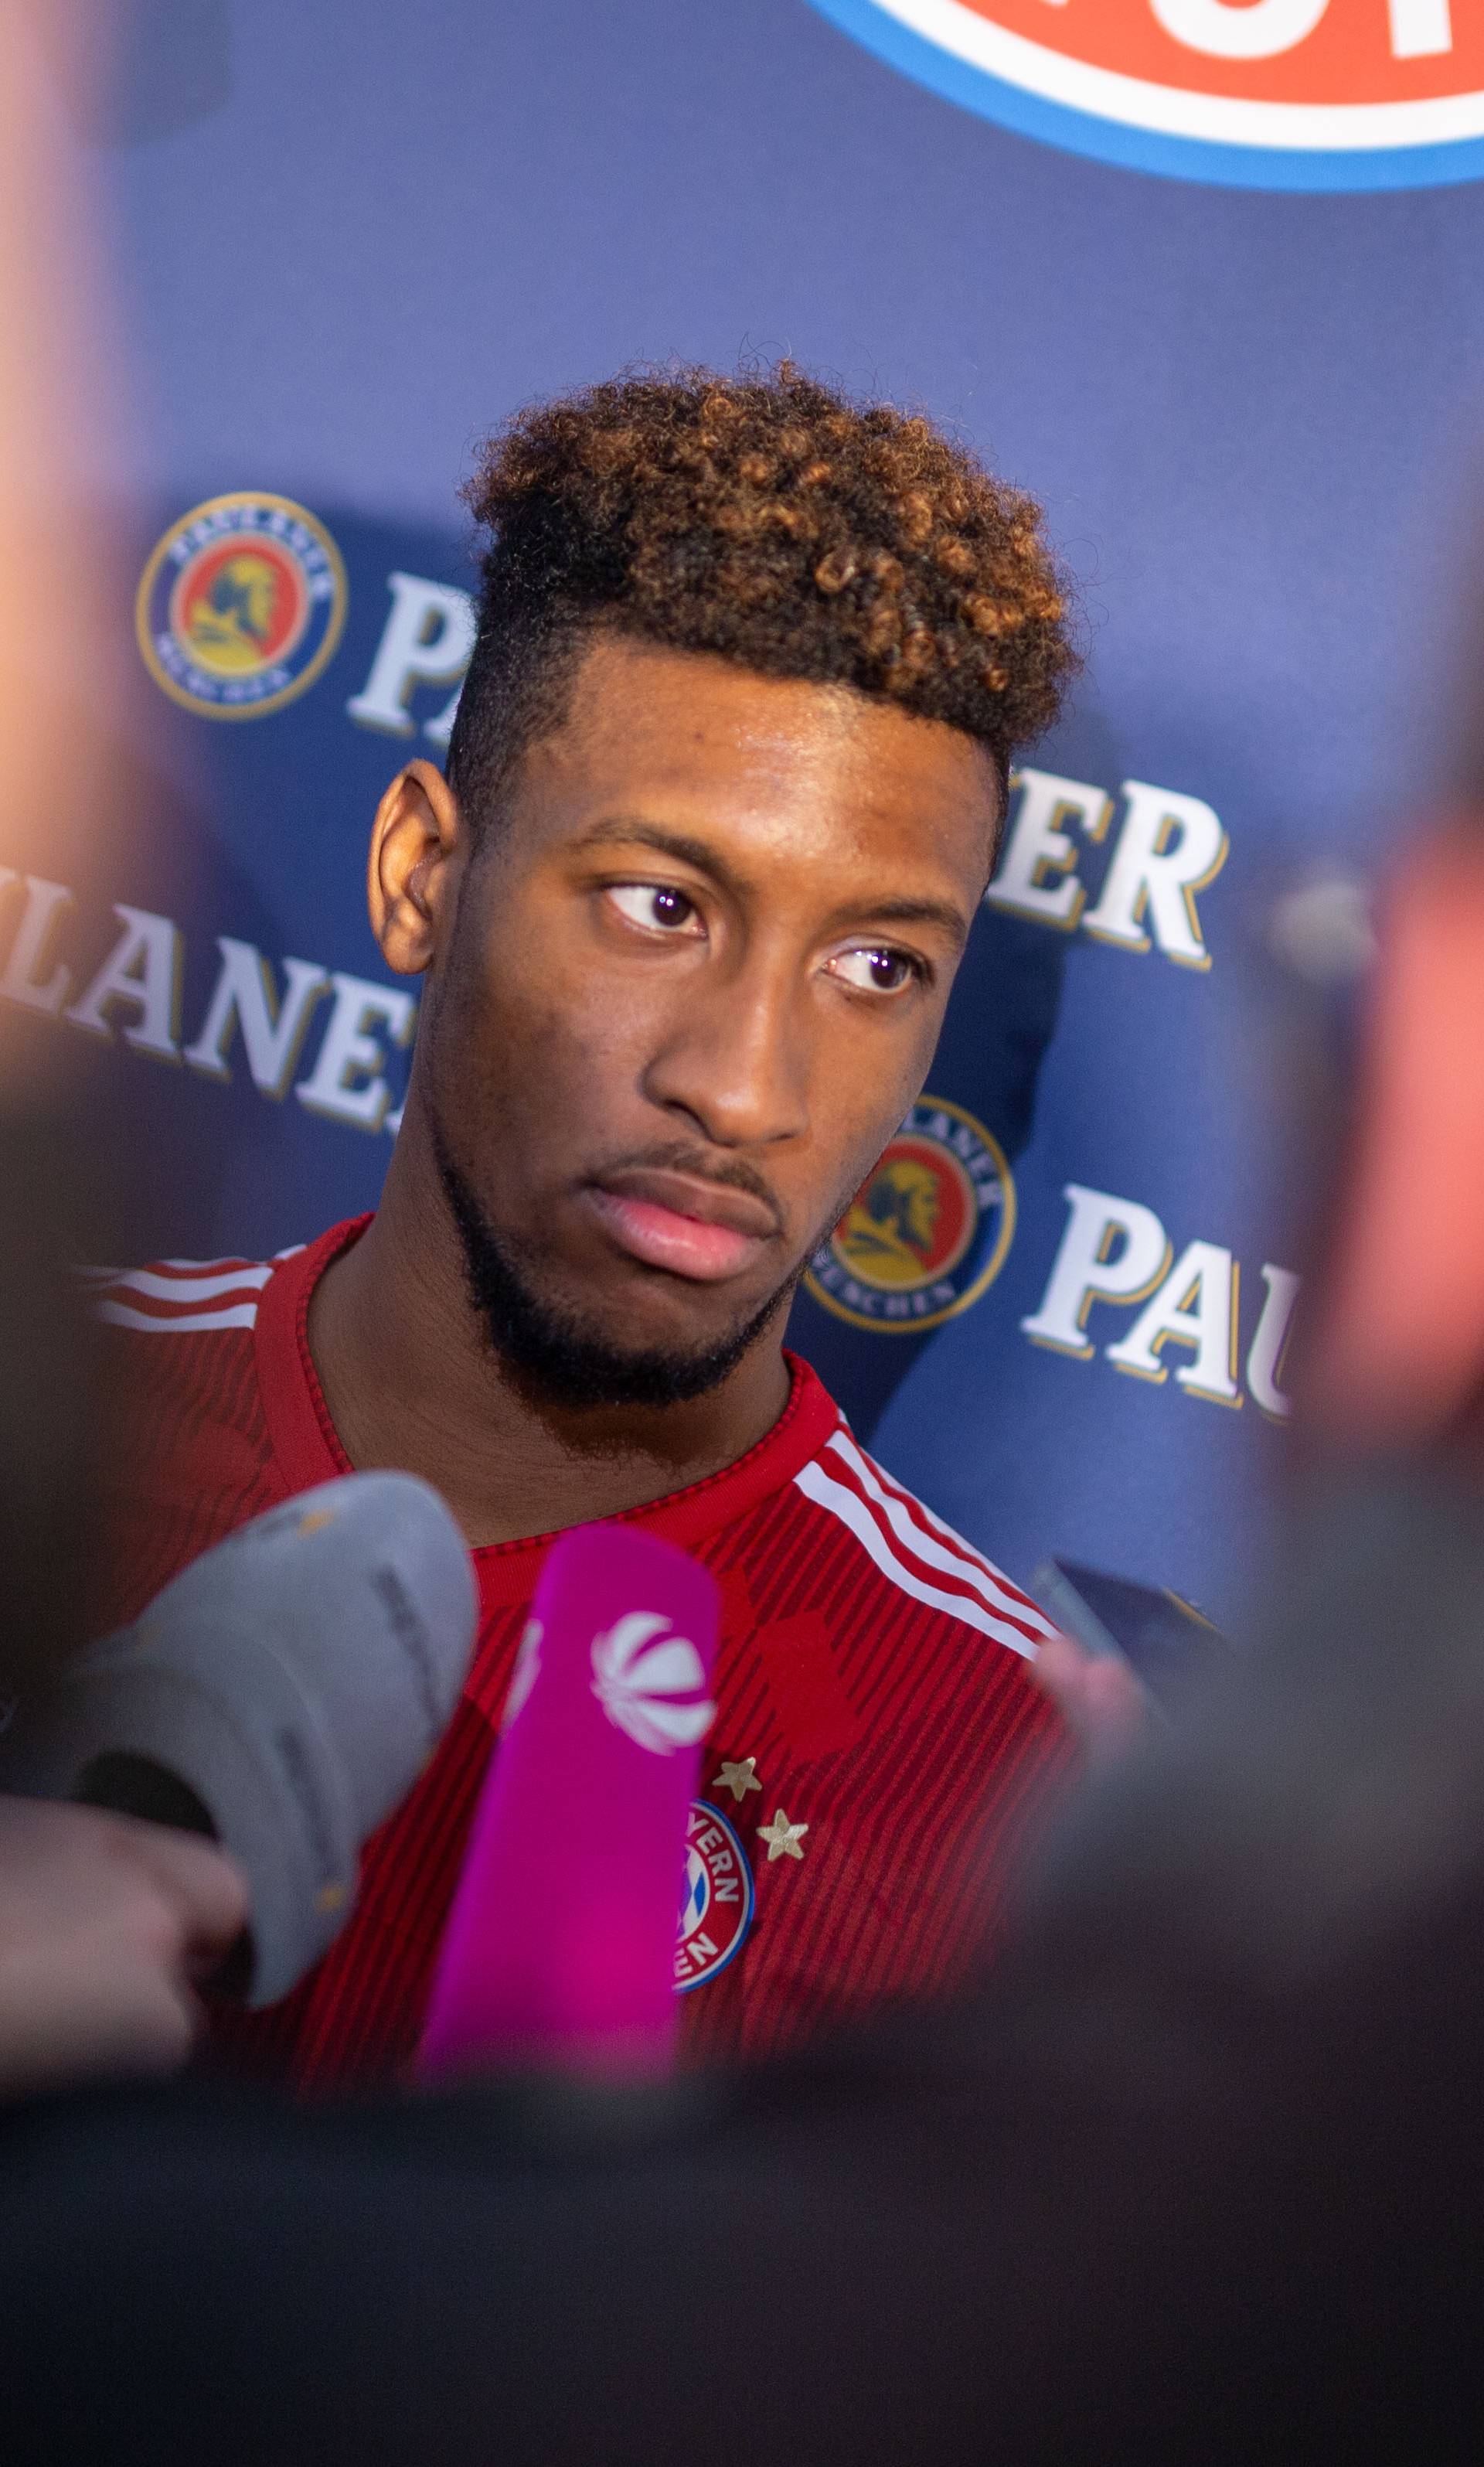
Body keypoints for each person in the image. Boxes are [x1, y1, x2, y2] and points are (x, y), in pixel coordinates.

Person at [92, 363, 1082, 2087]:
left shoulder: (1002, 1774)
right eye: (659, 905)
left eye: (876, 967)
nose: (747, 1085)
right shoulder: (60, 1421)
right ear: (421, 876)